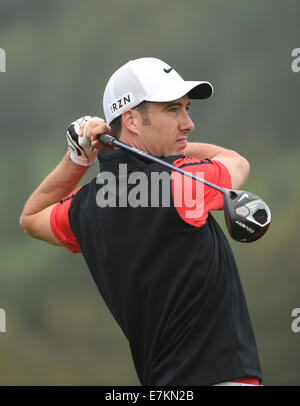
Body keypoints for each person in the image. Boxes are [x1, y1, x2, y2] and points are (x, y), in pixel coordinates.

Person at [19, 57, 262, 386]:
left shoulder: (86, 205)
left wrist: (80, 156)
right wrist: (176, 151)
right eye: (173, 110)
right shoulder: (183, 182)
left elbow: (32, 217)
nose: (187, 123)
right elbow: (235, 162)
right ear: (132, 119)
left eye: (186, 109)